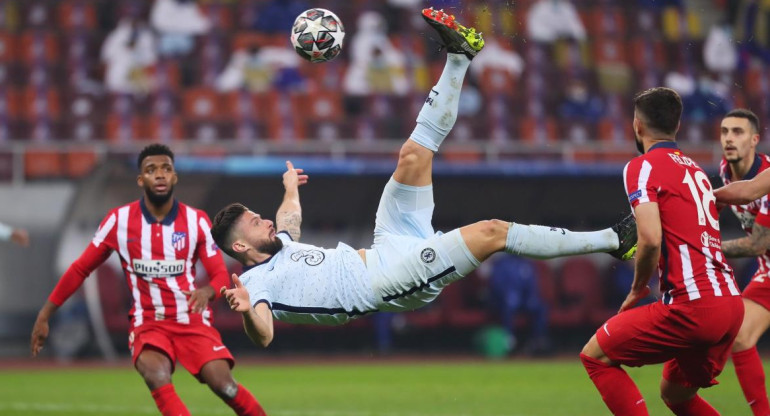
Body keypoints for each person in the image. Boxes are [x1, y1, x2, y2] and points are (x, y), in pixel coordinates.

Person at [212, 8, 637, 347]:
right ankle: (612, 241)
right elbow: (264, 335)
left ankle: (459, 56)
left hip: (385, 245)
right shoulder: (254, 283)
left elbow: (287, 222)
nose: (264, 220)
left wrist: (289, 191)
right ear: (240, 246)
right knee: (492, 231)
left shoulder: (280, 245)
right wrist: (247, 309)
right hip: (389, 283)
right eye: (254, 222)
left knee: (412, 155)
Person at [30, 144, 266, 416]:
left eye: (166, 169)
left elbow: (219, 275)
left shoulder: (196, 221)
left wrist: (208, 291)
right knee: (156, 374)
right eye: (151, 170)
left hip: (191, 321)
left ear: (175, 176)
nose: (160, 175)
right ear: (141, 179)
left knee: (224, 385)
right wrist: (45, 314)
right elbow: (80, 269)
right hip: (148, 323)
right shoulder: (118, 221)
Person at [580, 87, 744, 416]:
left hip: (692, 308)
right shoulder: (695, 170)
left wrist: (638, 286)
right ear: (678, 127)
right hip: (730, 306)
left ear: (637, 126)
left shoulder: (641, 166)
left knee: (595, 356)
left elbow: (650, 238)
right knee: (676, 394)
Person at [716, 108, 770, 416]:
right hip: (769, 272)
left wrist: (702, 247)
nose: (728, 139)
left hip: (763, 256)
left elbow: (757, 243)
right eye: (724, 132)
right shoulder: (726, 170)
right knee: (739, 337)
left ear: (755, 140)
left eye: (737, 132)